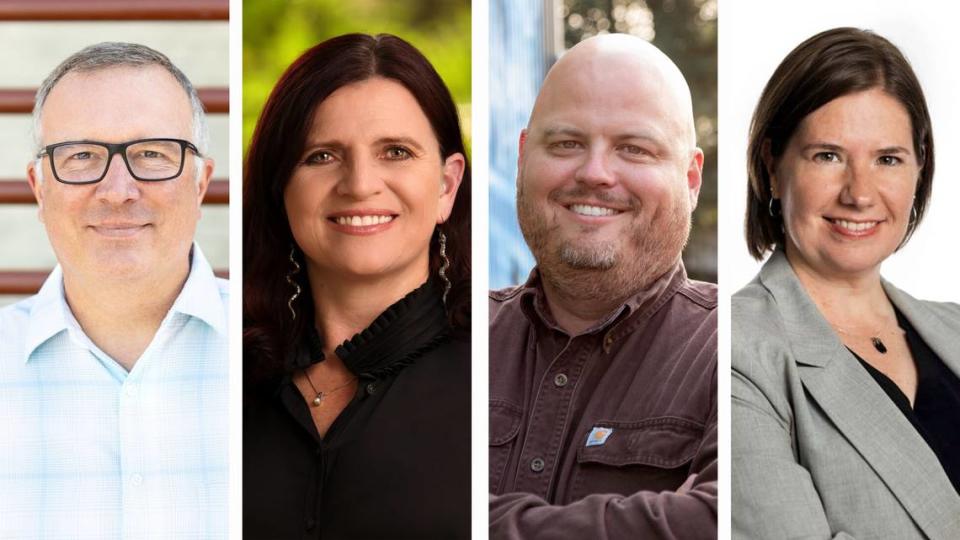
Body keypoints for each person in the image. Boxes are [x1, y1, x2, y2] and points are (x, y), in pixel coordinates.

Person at [732, 27, 960, 539]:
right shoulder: (737, 350)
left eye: (887, 159)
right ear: (773, 166)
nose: (860, 193)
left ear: (919, 169)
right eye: (828, 155)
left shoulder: (955, 327)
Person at [242, 33, 471, 538]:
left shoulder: (493, 372)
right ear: (280, 187)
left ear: (446, 186)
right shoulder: (225, 375)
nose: (360, 183)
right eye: (322, 156)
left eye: (396, 151)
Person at [489, 34, 717, 539]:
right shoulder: (452, 334)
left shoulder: (744, 349)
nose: (594, 174)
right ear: (524, 155)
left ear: (691, 177)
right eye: (567, 143)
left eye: (634, 149)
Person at [0, 43, 226, 538]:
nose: (118, 190)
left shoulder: (281, 347)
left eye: (150, 154)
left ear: (200, 182)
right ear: (39, 189)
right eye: (81, 156)